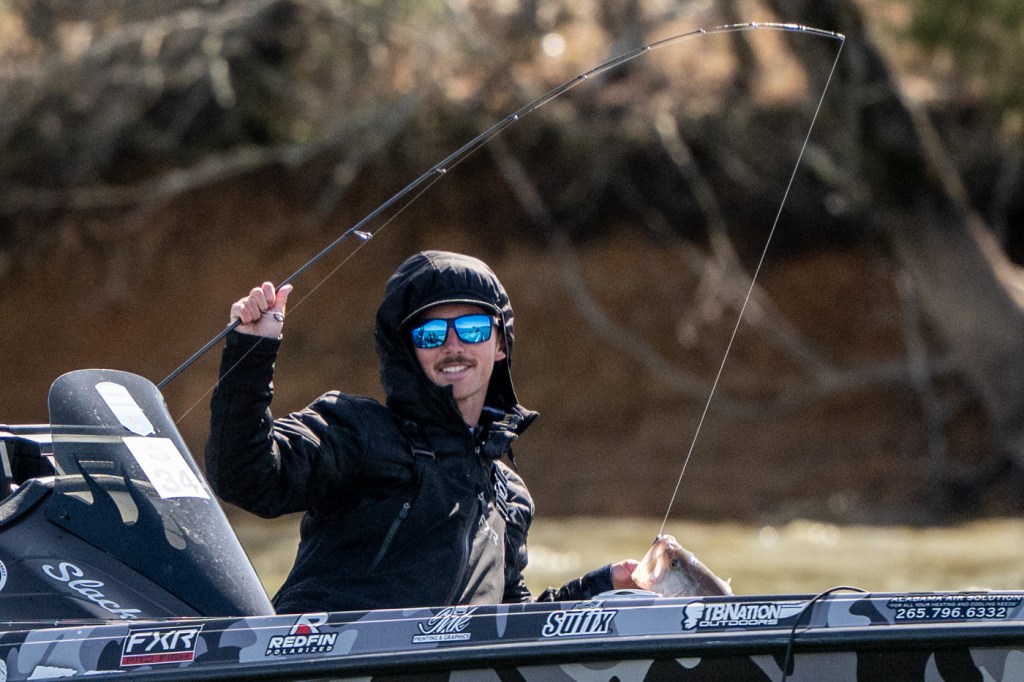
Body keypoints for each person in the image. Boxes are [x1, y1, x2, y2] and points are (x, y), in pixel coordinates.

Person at [205, 250, 639, 614]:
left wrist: (601, 589)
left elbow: (511, 622)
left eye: (471, 329)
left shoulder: (510, 497)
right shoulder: (356, 430)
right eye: (431, 334)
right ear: (407, 351)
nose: (453, 346)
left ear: (499, 344)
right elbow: (246, 476)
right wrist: (252, 350)